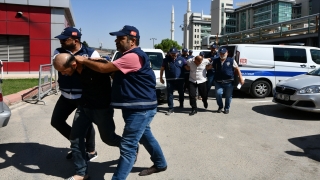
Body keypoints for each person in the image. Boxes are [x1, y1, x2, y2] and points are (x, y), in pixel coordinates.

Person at [73, 25, 167, 179]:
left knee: (128, 146)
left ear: (132, 41)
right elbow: (113, 73)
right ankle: (160, 163)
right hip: (137, 107)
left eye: (121, 38)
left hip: (140, 109)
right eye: (116, 38)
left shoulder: (133, 56)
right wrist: (98, 61)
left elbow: (104, 70)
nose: (116, 41)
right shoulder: (127, 57)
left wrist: (84, 60)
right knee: (145, 136)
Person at [53, 53, 122, 180]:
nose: (63, 74)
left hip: (102, 109)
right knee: (75, 139)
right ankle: (81, 173)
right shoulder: (74, 69)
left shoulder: (94, 66)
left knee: (109, 138)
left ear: (73, 65)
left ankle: (131, 147)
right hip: (84, 107)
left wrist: (103, 59)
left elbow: (111, 68)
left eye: (63, 71)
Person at [51, 27, 98, 162]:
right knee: (56, 121)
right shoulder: (59, 52)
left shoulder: (91, 52)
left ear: (76, 40)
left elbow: (96, 70)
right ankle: (78, 145)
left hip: (83, 96)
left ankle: (91, 151)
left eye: (65, 39)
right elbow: (59, 62)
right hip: (66, 95)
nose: (61, 41)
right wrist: (83, 62)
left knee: (86, 125)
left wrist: (83, 61)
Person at [213, 48, 244, 114]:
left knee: (228, 96)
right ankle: (220, 106)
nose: (222, 54)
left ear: (227, 53)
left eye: (224, 53)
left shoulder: (231, 60)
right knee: (218, 94)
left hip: (229, 81)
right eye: (221, 53)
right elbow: (209, 66)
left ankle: (226, 108)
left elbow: (237, 69)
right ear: (219, 53)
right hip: (218, 81)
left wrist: (240, 77)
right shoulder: (215, 60)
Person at [160, 47, 186, 115]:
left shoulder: (182, 59)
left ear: (177, 53)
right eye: (172, 53)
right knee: (170, 94)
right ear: (169, 53)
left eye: (174, 53)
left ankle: (181, 103)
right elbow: (162, 69)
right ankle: (170, 108)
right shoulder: (165, 60)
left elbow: (187, 67)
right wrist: (161, 78)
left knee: (181, 93)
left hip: (180, 79)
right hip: (170, 79)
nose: (173, 55)